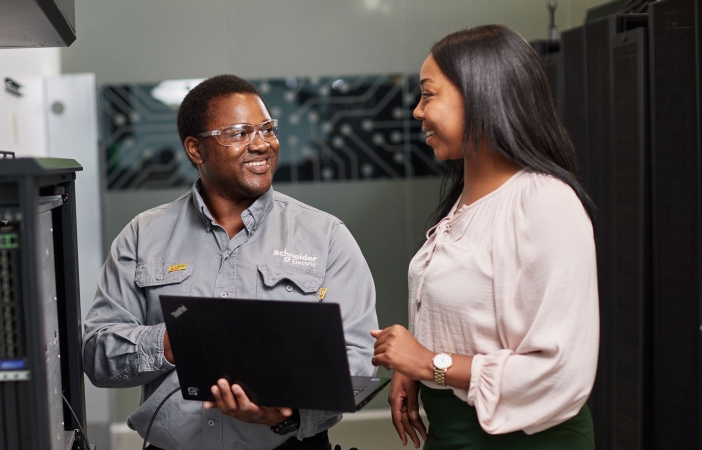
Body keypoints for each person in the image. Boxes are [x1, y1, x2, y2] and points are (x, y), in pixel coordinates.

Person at [83, 74, 378, 450]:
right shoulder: (144, 235)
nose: (261, 144)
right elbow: (97, 351)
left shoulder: (326, 236)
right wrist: (174, 342)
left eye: (268, 129)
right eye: (239, 133)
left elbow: (358, 361)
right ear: (195, 149)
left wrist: (287, 414)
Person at [371, 25, 599, 449]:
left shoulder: (545, 202)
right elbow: (477, 320)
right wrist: (416, 365)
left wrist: (430, 362)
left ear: (480, 95)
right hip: (452, 434)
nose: (418, 111)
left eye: (428, 94)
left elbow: (559, 371)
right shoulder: (461, 203)